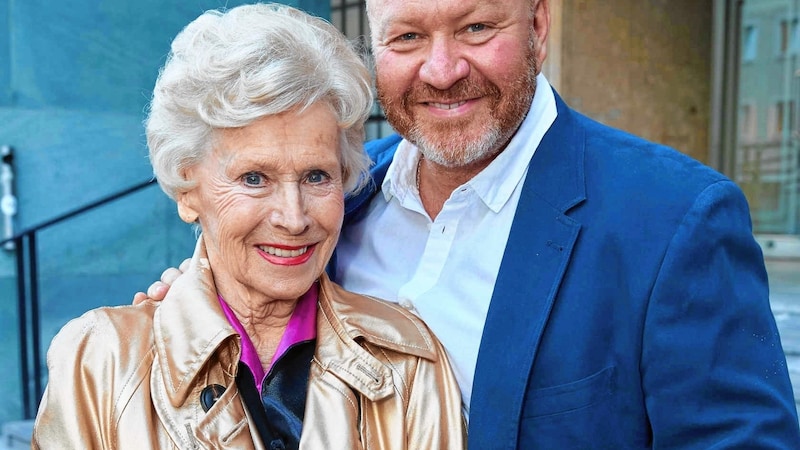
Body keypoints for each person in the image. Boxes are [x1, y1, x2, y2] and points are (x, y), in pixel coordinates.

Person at [138, 0, 800, 447]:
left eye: (477, 27)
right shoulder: (330, 197)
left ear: (539, 25)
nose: (443, 70)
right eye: (407, 37)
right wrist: (202, 302)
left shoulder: (674, 219)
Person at [32, 4, 465, 449]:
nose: (294, 218)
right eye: (254, 178)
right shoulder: (100, 361)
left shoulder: (408, 359)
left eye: (316, 176)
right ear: (186, 188)